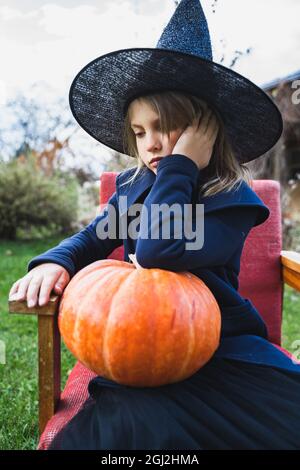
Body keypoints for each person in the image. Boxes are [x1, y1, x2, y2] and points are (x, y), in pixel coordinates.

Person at [9, 0, 300, 449]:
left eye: (165, 127)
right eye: (139, 132)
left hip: (222, 349)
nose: (150, 144)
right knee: (131, 427)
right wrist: (55, 261)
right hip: (143, 348)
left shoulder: (231, 201)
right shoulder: (132, 191)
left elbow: (157, 252)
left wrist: (180, 165)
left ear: (203, 133)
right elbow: (93, 237)